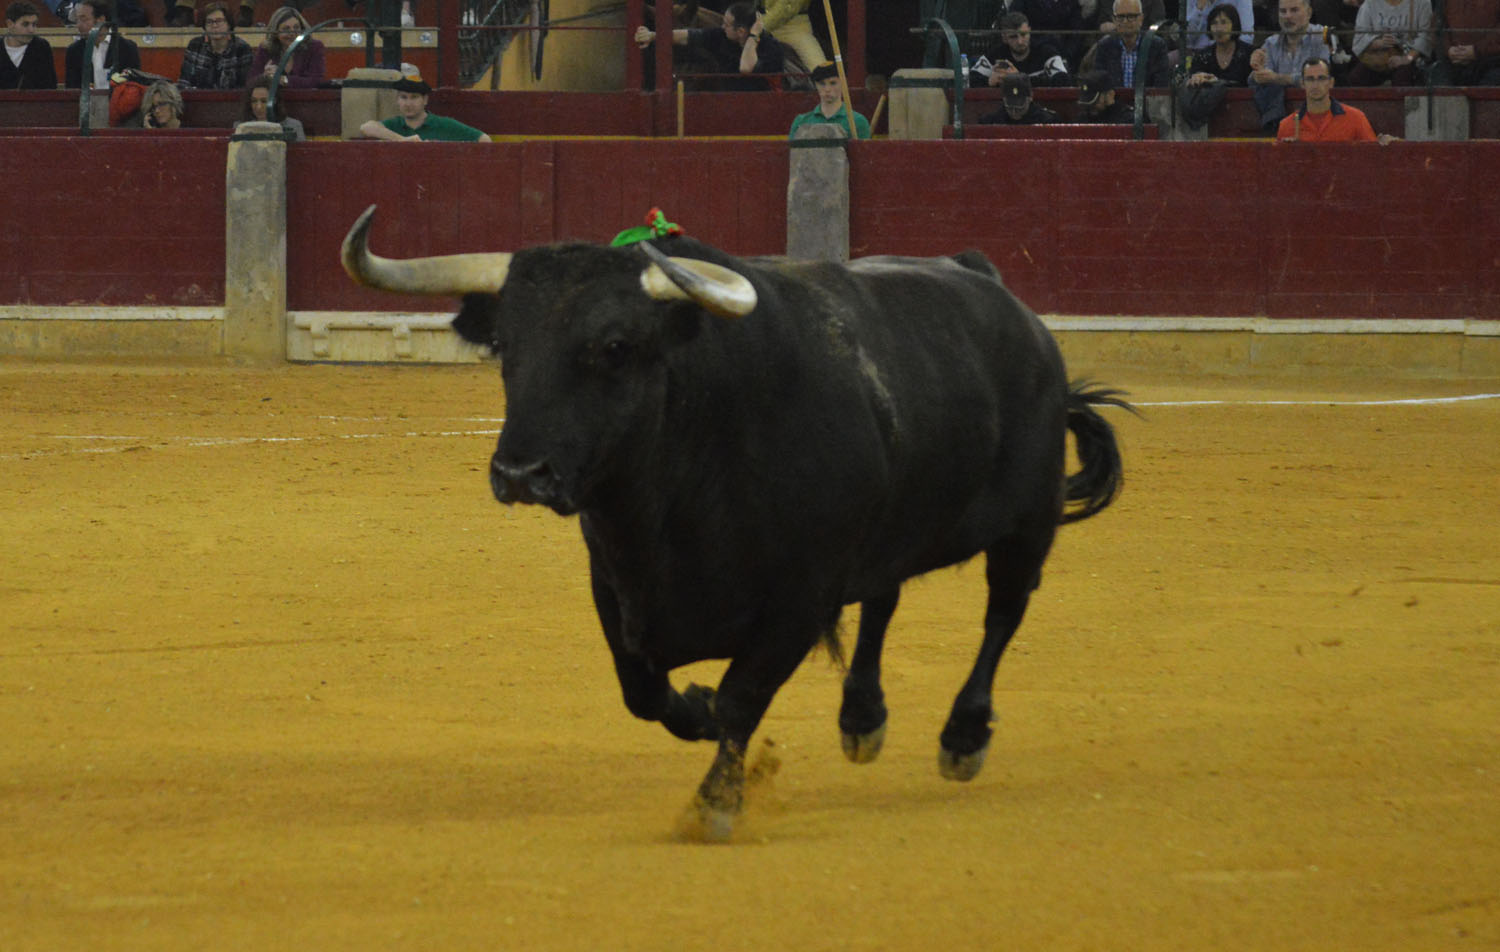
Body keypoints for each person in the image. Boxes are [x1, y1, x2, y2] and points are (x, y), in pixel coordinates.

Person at [634, 1, 790, 90]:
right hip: (728, 104)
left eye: (727, 24)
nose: (722, 27)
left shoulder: (771, 49)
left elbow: (745, 68)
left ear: (741, 31)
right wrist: (653, 36)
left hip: (761, 108)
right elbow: (686, 36)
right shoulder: (721, 36)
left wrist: (753, 37)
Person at [1249, 0, 1332, 130]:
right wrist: (1257, 70)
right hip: (1280, 122)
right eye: (1283, 11)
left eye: (1294, 10)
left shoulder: (1322, 36)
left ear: (1309, 12)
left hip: (1319, 116)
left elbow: (1319, 79)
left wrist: (1276, 78)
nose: (1287, 16)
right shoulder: (1271, 43)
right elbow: (1259, 81)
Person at [1277, 56, 1398, 140]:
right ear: (1302, 84)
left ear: (1331, 82)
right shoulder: (1287, 125)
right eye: (1310, 79)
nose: (1315, 84)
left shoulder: (1356, 118)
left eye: (1321, 78)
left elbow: (1370, 156)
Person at [358, 71, 489, 141]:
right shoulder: (394, 125)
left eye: (414, 97)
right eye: (403, 97)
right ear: (397, 100)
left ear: (425, 100)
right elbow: (366, 127)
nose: (408, 103)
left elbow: (484, 139)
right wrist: (402, 140)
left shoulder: (445, 125)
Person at [970, 12, 1072, 88]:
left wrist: (1020, 79)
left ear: (1029, 31)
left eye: (1023, 35)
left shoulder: (1046, 52)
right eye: (1013, 37)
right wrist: (989, 81)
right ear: (1004, 37)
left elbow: (1063, 80)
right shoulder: (996, 54)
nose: (1020, 41)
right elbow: (970, 79)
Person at [1347, 0, 1434, 85]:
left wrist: (1407, 59)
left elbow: (1425, 38)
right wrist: (1378, 43)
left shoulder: (1422, 2)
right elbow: (1360, 37)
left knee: (1402, 78)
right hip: (1378, 58)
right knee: (1356, 78)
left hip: (1408, 57)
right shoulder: (1370, 3)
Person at [1092, 0, 1170, 87]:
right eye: (1121, 17)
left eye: (1131, 16)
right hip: (1114, 100)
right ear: (1114, 20)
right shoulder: (1104, 46)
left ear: (1141, 19)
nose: (1125, 21)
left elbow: (1160, 87)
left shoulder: (1156, 46)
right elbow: (1100, 85)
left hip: (1145, 100)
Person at [64, 0, 140, 90]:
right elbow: (72, 89)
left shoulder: (127, 48)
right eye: (77, 20)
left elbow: (134, 88)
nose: (78, 25)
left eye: (83, 19)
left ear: (101, 20)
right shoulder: (74, 51)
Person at [178, 2, 253, 90]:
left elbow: (245, 88)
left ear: (228, 24)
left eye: (219, 21)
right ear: (204, 26)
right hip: (199, 101)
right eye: (209, 22)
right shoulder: (195, 45)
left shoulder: (242, 48)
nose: (214, 25)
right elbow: (184, 83)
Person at [788, 61, 871, 138]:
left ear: (844, 83)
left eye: (833, 83)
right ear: (816, 85)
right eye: (822, 84)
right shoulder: (801, 121)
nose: (827, 89)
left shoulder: (858, 122)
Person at [251, 6, 326, 89]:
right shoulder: (265, 49)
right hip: (276, 100)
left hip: (306, 99)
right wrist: (265, 77)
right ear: (275, 33)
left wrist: (284, 80)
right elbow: (251, 82)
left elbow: (317, 81)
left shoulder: (314, 47)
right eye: (286, 29)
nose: (292, 33)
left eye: (296, 27)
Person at [1429, 0, 1500, 85]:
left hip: (1491, 64)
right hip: (1452, 64)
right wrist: (1448, 49)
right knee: (1438, 87)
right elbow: (1437, 28)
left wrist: (1476, 50)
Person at [1011, 0, 1089, 68]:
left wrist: (1067, 55)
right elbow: (1014, 25)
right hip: (1032, 54)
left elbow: (1076, 32)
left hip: (1064, 53)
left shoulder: (1071, 2)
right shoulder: (1022, 2)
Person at [761, 0, 826, 76]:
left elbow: (787, 7)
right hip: (759, 21)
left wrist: (760, 28)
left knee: (819, 69)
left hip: (794, 27)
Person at [1, 1, 57, 89]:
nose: (31, 30)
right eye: (25, 24)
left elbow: (50, 87)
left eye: (34, 24)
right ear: (10, 24)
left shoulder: (41, 47)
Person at [241, 73, 306, 140]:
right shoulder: (241, 127)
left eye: (264, 101)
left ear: (275, 101)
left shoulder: (293, 126)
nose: (258, 107)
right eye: (254, 101)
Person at [979, 71, 1062, 123]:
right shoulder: (991, 122)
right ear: (1004, 99)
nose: (1014, 112)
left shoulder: (1047, 121)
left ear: (1030, 97)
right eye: (1010, 106)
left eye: (1020, 107)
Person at [1182, 0, 1254, 51]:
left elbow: (1247, 36)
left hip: (1228, 53)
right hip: (1194, 52)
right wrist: (1199, 9)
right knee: (1171, 60)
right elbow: (1187, 40)